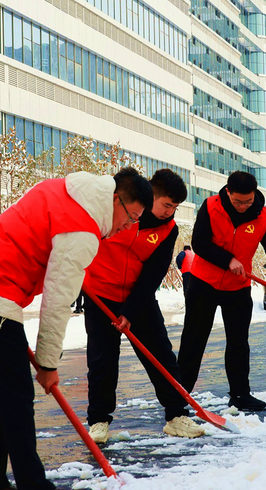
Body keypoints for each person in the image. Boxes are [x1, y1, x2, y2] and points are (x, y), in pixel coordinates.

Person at [0, 168, 152, 490]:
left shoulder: (65, 190)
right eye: (131, 217)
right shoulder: (83, 230)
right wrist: (48, 363)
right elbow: (57, 302)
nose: (128, 227)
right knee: (15, 396)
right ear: (116, 199)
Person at [83, 169, 203, 443]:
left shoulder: (168, 229)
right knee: (102, 360)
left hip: (139, 297)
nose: (170, 212)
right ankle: (99, 421)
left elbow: (154, 272)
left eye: (175, 207)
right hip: (100, 293)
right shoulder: (118, 212)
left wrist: (130, 311)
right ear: (151, 195)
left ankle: (176, 415)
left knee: (161, 354)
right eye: (167, 205)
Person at [177, 171, 266, 411]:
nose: (243, 206)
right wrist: (228, 260)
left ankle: (240, 394)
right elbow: (200, 243)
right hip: (204, 283)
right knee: (194, 340)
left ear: (254, 194)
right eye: (238, 201)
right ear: (228, 193)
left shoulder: (263, 215)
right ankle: (180, 396)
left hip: (237, 287)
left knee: (238, 343)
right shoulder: (211, 207)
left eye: (248, 201)